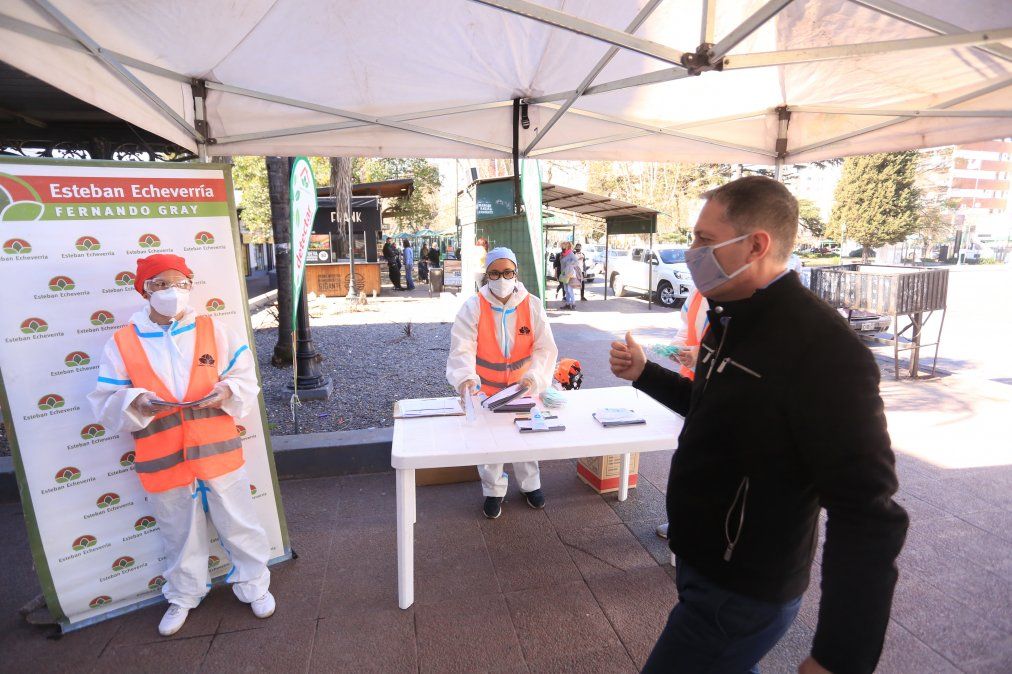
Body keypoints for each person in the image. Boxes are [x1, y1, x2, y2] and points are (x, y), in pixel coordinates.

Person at [609, 176, 908, 674]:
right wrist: (644, 373)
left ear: (756, 245)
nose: (690, 252)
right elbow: (711, 407)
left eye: (704, 240)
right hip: (703, 561)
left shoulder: (823, 349)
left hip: (742, 587)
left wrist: (839, 657)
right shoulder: (728, 316)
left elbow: (868, 512)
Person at [88, 254, 275, 637]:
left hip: (217, 450)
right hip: (162, 457)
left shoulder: (214, 330)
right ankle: (183, 594)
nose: (171, 291)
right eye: (159, 284)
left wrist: (226, 390)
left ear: (190, 285)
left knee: (238, 521)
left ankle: (254, 583)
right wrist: (134, 401)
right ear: (144, 289)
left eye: (180, 283)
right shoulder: (123, 342)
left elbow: (244, 378)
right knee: (178, 531)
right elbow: (106, 399)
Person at [446, 247, 558, 519]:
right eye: (495, 273)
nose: (502, 278)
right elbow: (462, 348)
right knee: (490, 444)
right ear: (487, 276)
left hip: (523, 388)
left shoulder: (532, 304)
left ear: (516, 273)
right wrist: (466, 379)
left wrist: (535, 377)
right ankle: (494, 490)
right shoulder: (473, 306)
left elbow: (545, 347)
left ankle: (530, 485)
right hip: (486, 390)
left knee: (525, 438)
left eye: (508, 272)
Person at [655, 285, 709, 540]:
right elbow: (686, 327)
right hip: (692, 387)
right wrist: (678, 348)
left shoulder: (748, 290)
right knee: (687, 459)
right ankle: (680, 520)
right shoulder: (699, 290)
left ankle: (697, 527)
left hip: (720, 393)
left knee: (708, 464)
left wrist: (703, 356)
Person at [559, 242, 582, 310]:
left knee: (569, 289)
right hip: (563, 274)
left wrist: (570, 264)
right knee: (566, 289)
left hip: (569, 273)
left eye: (563, 247)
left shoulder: (570, 253)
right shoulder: (562, 254)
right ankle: (568, 304)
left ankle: (573, 303)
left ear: (567, 247)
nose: (562, 248)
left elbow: (576, 262)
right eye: (561, 247)